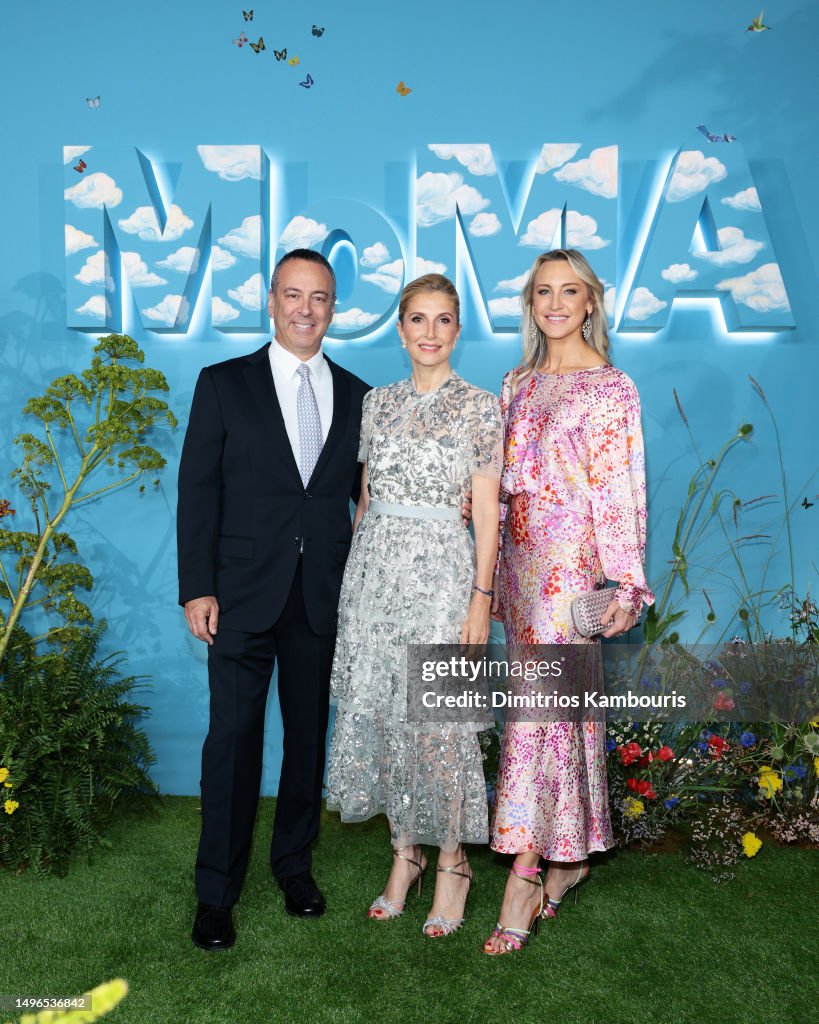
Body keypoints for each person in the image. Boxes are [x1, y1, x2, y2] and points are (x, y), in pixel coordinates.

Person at [177, 248, 370, 950]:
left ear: (333, 306)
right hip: (235, 596)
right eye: (293, 294)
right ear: (270, 300)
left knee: (305, 739)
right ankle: (215, 894)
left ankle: (293, 867)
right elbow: (197, 489)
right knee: (231, 740)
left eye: (318, 297)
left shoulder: (357, 394)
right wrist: (196, 586)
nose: (305, 309)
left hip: (320, 596)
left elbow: (368, 500)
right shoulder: (224, 383)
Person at [483, 249, 655, 955]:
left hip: (571, 575)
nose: (555, 302)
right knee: (556, 717)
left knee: (541, 717)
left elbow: (618, 493)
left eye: (569, 291)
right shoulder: (515, 383)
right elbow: (495, 489)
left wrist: (625, 582)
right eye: (542, 291)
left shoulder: (611, 388)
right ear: (531, 302)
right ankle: (570, 857)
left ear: (590, 302)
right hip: (522, 575)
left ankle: (524, 873)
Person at [325, 274, 502, 938]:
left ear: (458, 330)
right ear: (400, 330)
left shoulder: (481, 407)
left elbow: (485, 512)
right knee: (384, 719)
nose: (429, 333)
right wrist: (350, 581)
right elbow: (365, 500)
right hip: (374, 577)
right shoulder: (376, 403)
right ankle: (405, 857)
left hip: (443, 577)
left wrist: (480, 600)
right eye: (418, 320)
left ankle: (452, 862)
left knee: (439, 725)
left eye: (443, 320)